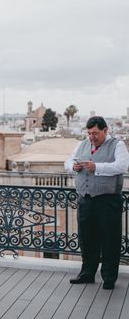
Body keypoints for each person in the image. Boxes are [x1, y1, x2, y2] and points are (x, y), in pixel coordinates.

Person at [64, 116, 129, 290]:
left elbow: (122, 166)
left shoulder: (118, 145)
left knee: (109, 238)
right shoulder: (82, 144)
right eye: (89, 133)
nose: (92, 137)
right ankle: (87, 273)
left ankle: (109, 278)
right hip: (85, 199)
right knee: (87, 238)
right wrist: (73, 167)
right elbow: (68, 161)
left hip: (108, 200)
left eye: (96, 133)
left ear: (105, 130)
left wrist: (97, 167)